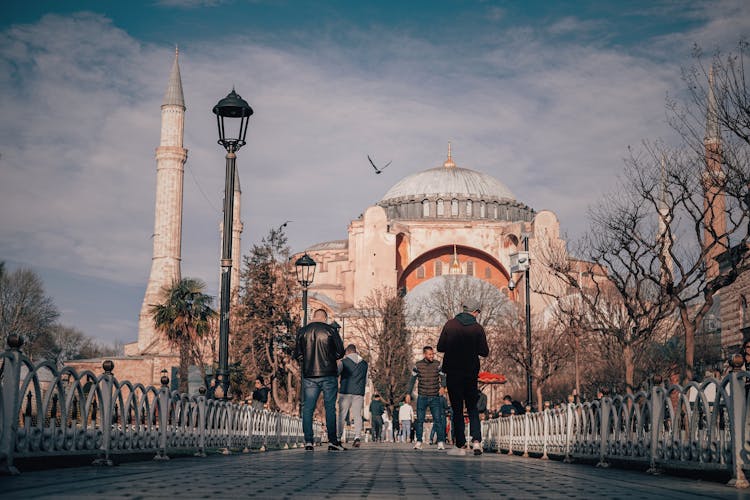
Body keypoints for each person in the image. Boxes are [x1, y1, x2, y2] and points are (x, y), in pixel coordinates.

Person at [437, 298, 489, 456]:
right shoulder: (477, 328)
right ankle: (477, 442)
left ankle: (460, 445)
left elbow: (440, 347)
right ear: (475, 312)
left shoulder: (450, 324)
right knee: (472, 408)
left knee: (457, 409)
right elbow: (484, 352)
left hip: (453, 372)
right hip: (470, 372)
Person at [294, 309, 346, 451]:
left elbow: (298, 354)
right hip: (328, 373)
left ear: (313, 317)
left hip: (310, 375)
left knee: (308, 408)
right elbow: (341, 351)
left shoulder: (303, 331)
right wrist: (330, 358)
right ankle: (332, 441)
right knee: (329, 408)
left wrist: (307, 362)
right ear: (325, 318)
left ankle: (308, 441)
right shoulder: (331, 330)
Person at [407, 346, 447, 450]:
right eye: (430, 354)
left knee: (438, 420)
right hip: (422, 396)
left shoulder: (438, 364)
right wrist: (408, 393)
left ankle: (440, 442)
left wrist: (443, 386)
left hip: (435, 396)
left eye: (432, 354)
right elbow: (412, 380)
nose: (432, 356)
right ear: (425, 354)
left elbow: (443, 377)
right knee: (420, 420)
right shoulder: (418, 365)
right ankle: (419, 441)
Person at [337, 343, 368, 447]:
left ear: (348, 352)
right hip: (359, 392)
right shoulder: (364, 363)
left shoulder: (343, 362)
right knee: (357, 415)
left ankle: (338, 437)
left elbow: (337, 372)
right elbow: (366, 379)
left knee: (342, 414)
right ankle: (357, 437)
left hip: (345, 391)